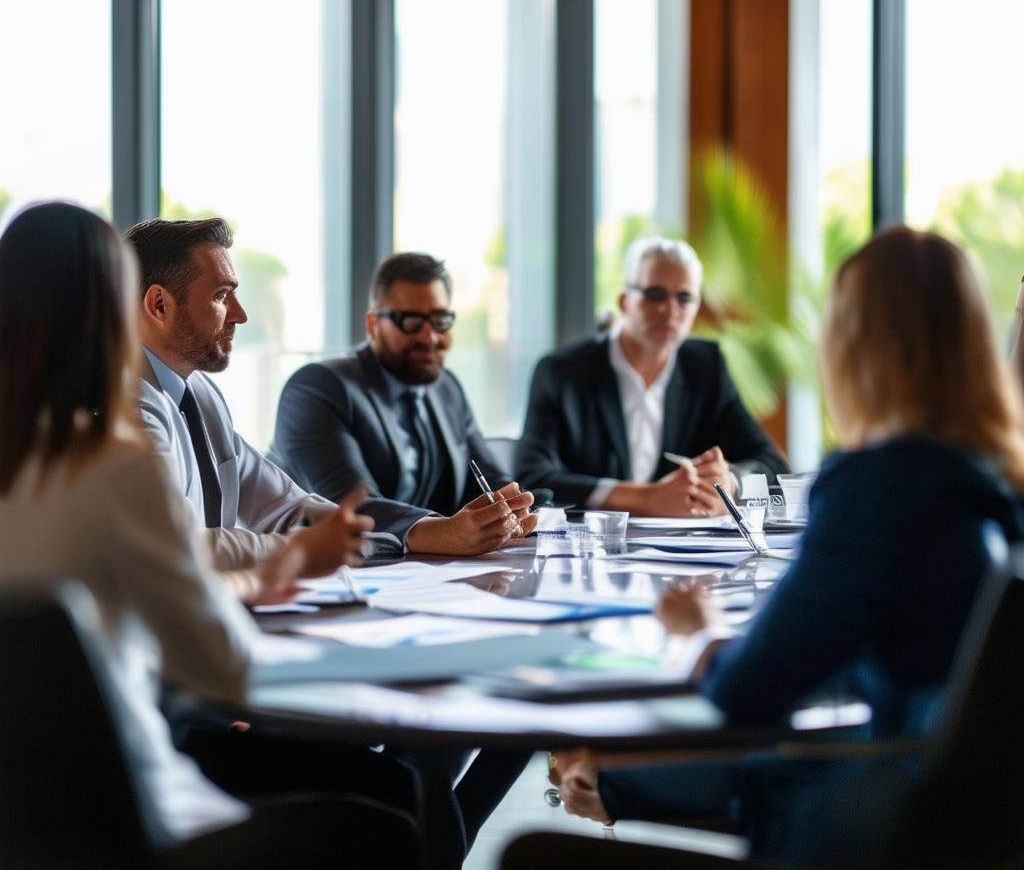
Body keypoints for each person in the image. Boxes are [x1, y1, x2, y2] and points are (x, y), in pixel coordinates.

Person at [551, 227, 1024, 864]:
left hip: (875, 822)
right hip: (961, 816)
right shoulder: (996, 483)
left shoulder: (880, 484)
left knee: (557, 821)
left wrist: (699, 631)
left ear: (853, 344)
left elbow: (748, 694)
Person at [0, 202, 418, 868]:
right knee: (393, 801)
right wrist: (286, 571)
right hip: (139, 815)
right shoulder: (114, 461)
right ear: (117, 310)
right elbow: (221, 666)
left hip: (23, 819)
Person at [124, 219, 534, 562]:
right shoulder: (121, 404)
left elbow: (283, 504)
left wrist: (422, 534)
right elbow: (174, 544)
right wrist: (310, 549)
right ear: (159, 305)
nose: (241, 314)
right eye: (221, 296)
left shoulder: (198, 393)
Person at [516, 236, 789, 514]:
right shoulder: (561, 373)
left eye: (685, 298)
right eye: (655, 295)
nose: (671, 310)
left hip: (685, 549)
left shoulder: (705, 367)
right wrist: (645, 498)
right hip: (591, 546)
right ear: (624, 301)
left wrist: (729, 484)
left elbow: (772, 463)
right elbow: (532, 480)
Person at [271, 252, 530, 532]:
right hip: (328, 569)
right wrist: (445, 533)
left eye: (440, 320)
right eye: (410, 321)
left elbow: (491, 481)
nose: (429, 337)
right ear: (373, 325)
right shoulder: (318, 387)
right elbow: (349, 508)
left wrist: (513, 507)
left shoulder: (447, 388)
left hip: (426, 571)